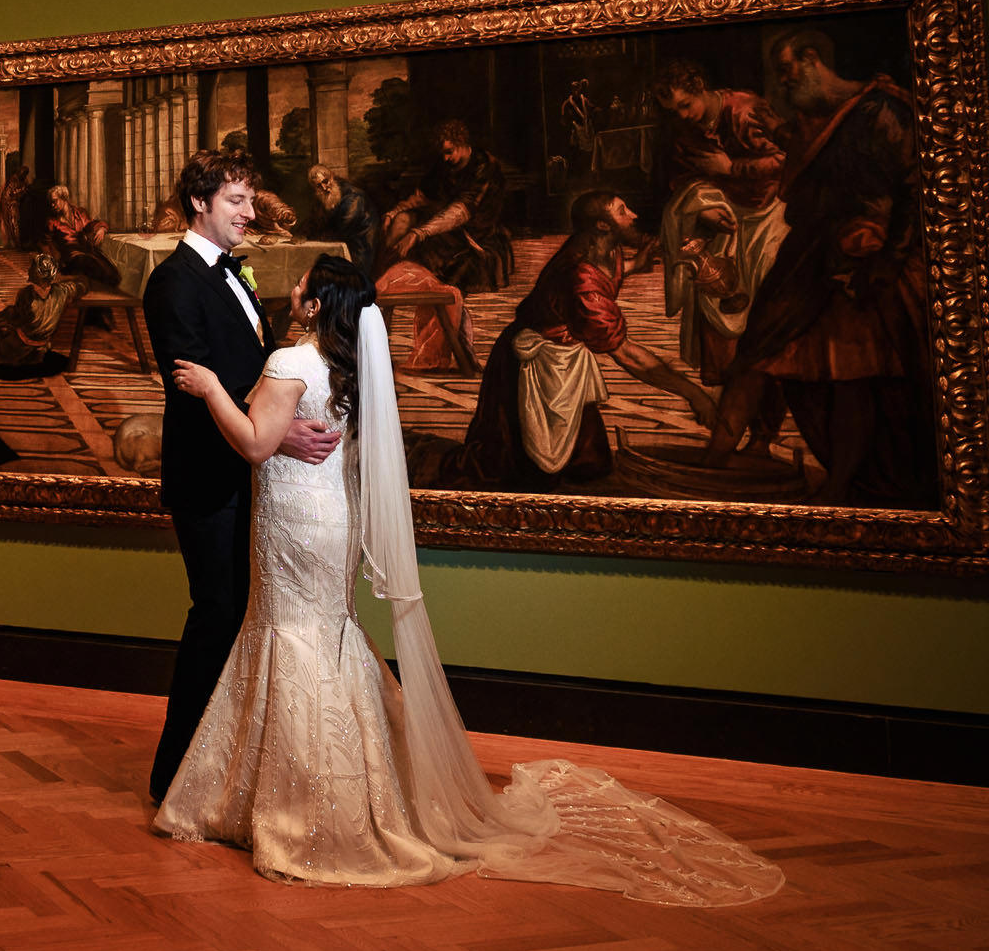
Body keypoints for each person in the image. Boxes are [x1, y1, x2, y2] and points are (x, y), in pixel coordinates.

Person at [154, 255, 782, 903]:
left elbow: (256, 442)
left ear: (317, 304)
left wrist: (208, 388)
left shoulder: (289, 361)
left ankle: (301, 811)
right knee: (321, 635)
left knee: (291, 637)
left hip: (293, 525)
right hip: (331, 520)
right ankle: (330, 793)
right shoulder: (349, 365)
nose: (295, 291)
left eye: (306, 286)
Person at [139, 150, 340, 804]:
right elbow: (196, 393)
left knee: (237, 617)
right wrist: (278, 435)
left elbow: (253, 366)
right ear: (199, 202)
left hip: (250, 475)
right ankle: (175, 776)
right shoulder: (172, 283)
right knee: (217, 615)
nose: (251, 213)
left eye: (250, 200)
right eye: (237, 200)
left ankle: (222, 766)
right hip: (206, 476)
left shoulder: (234, 273)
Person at [701, 32, 930, 506]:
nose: (782, 85)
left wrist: (889, 260)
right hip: (808, 255)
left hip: (864, 261)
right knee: (758, 348)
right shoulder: (813, 119)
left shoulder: (884, 110)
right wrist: (782, 134)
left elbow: (912, 188)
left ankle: (844, 484)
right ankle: (713, 463)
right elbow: (822, 162)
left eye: (786, 71)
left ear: (813, 59)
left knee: (852, 376)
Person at [452, 190, 716, 490]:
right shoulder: (581, 277)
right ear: (602, 226)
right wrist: (692, 392)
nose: (634, 215)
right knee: (524, 469)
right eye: (622, 210)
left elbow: (602, 274)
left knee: (589, 462)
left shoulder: (601, 247)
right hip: (533, 366)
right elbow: (629, 356)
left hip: (564, 361)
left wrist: (635, 266)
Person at [651, 59, 790, 449]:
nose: (681, 116)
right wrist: (703, 206)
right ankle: (734, 428)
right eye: (672, 111)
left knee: (764, 329)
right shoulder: (683, 128)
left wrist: (733, 166)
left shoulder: (745, 109)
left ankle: (763, 436)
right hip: (726, 222)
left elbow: (788, 158)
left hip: (771, 217)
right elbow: (683, 176)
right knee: (719, 325)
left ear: (699, 88)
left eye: (684, 105)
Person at [381, 119, 511, 290]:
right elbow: (422, 197)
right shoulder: (444, 164)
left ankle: (395, 278)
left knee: (436, 262)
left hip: (475, 233)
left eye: (449, 152)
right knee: (402, 219)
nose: (445, 158)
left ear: (462, 143)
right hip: (446, 227)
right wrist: (394, 212)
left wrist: (418, 233)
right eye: (443, 153)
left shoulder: (484, 166)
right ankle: (383, 274)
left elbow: (460, 212)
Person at [303, 164, 378, 280]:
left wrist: (316, 236)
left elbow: (343, 228)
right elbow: (314, 220)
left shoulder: (353, 197)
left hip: (359, 246)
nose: (324, 187)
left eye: (325, 181)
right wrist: (302, 233)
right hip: (341, 243)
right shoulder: (324, 197)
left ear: (331, 177)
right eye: (319, 185)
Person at [44, 184, 121, 286]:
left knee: (112, 273)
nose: (52, 205)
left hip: (87, 252)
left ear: (64, 198)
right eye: (51, 203)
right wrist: (55, 262)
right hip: (70, 260)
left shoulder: (79, 213)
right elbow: (46, 244)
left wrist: (102, 228)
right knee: (87, 262)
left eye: (55, 201)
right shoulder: (52, 222)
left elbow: (91, 224)